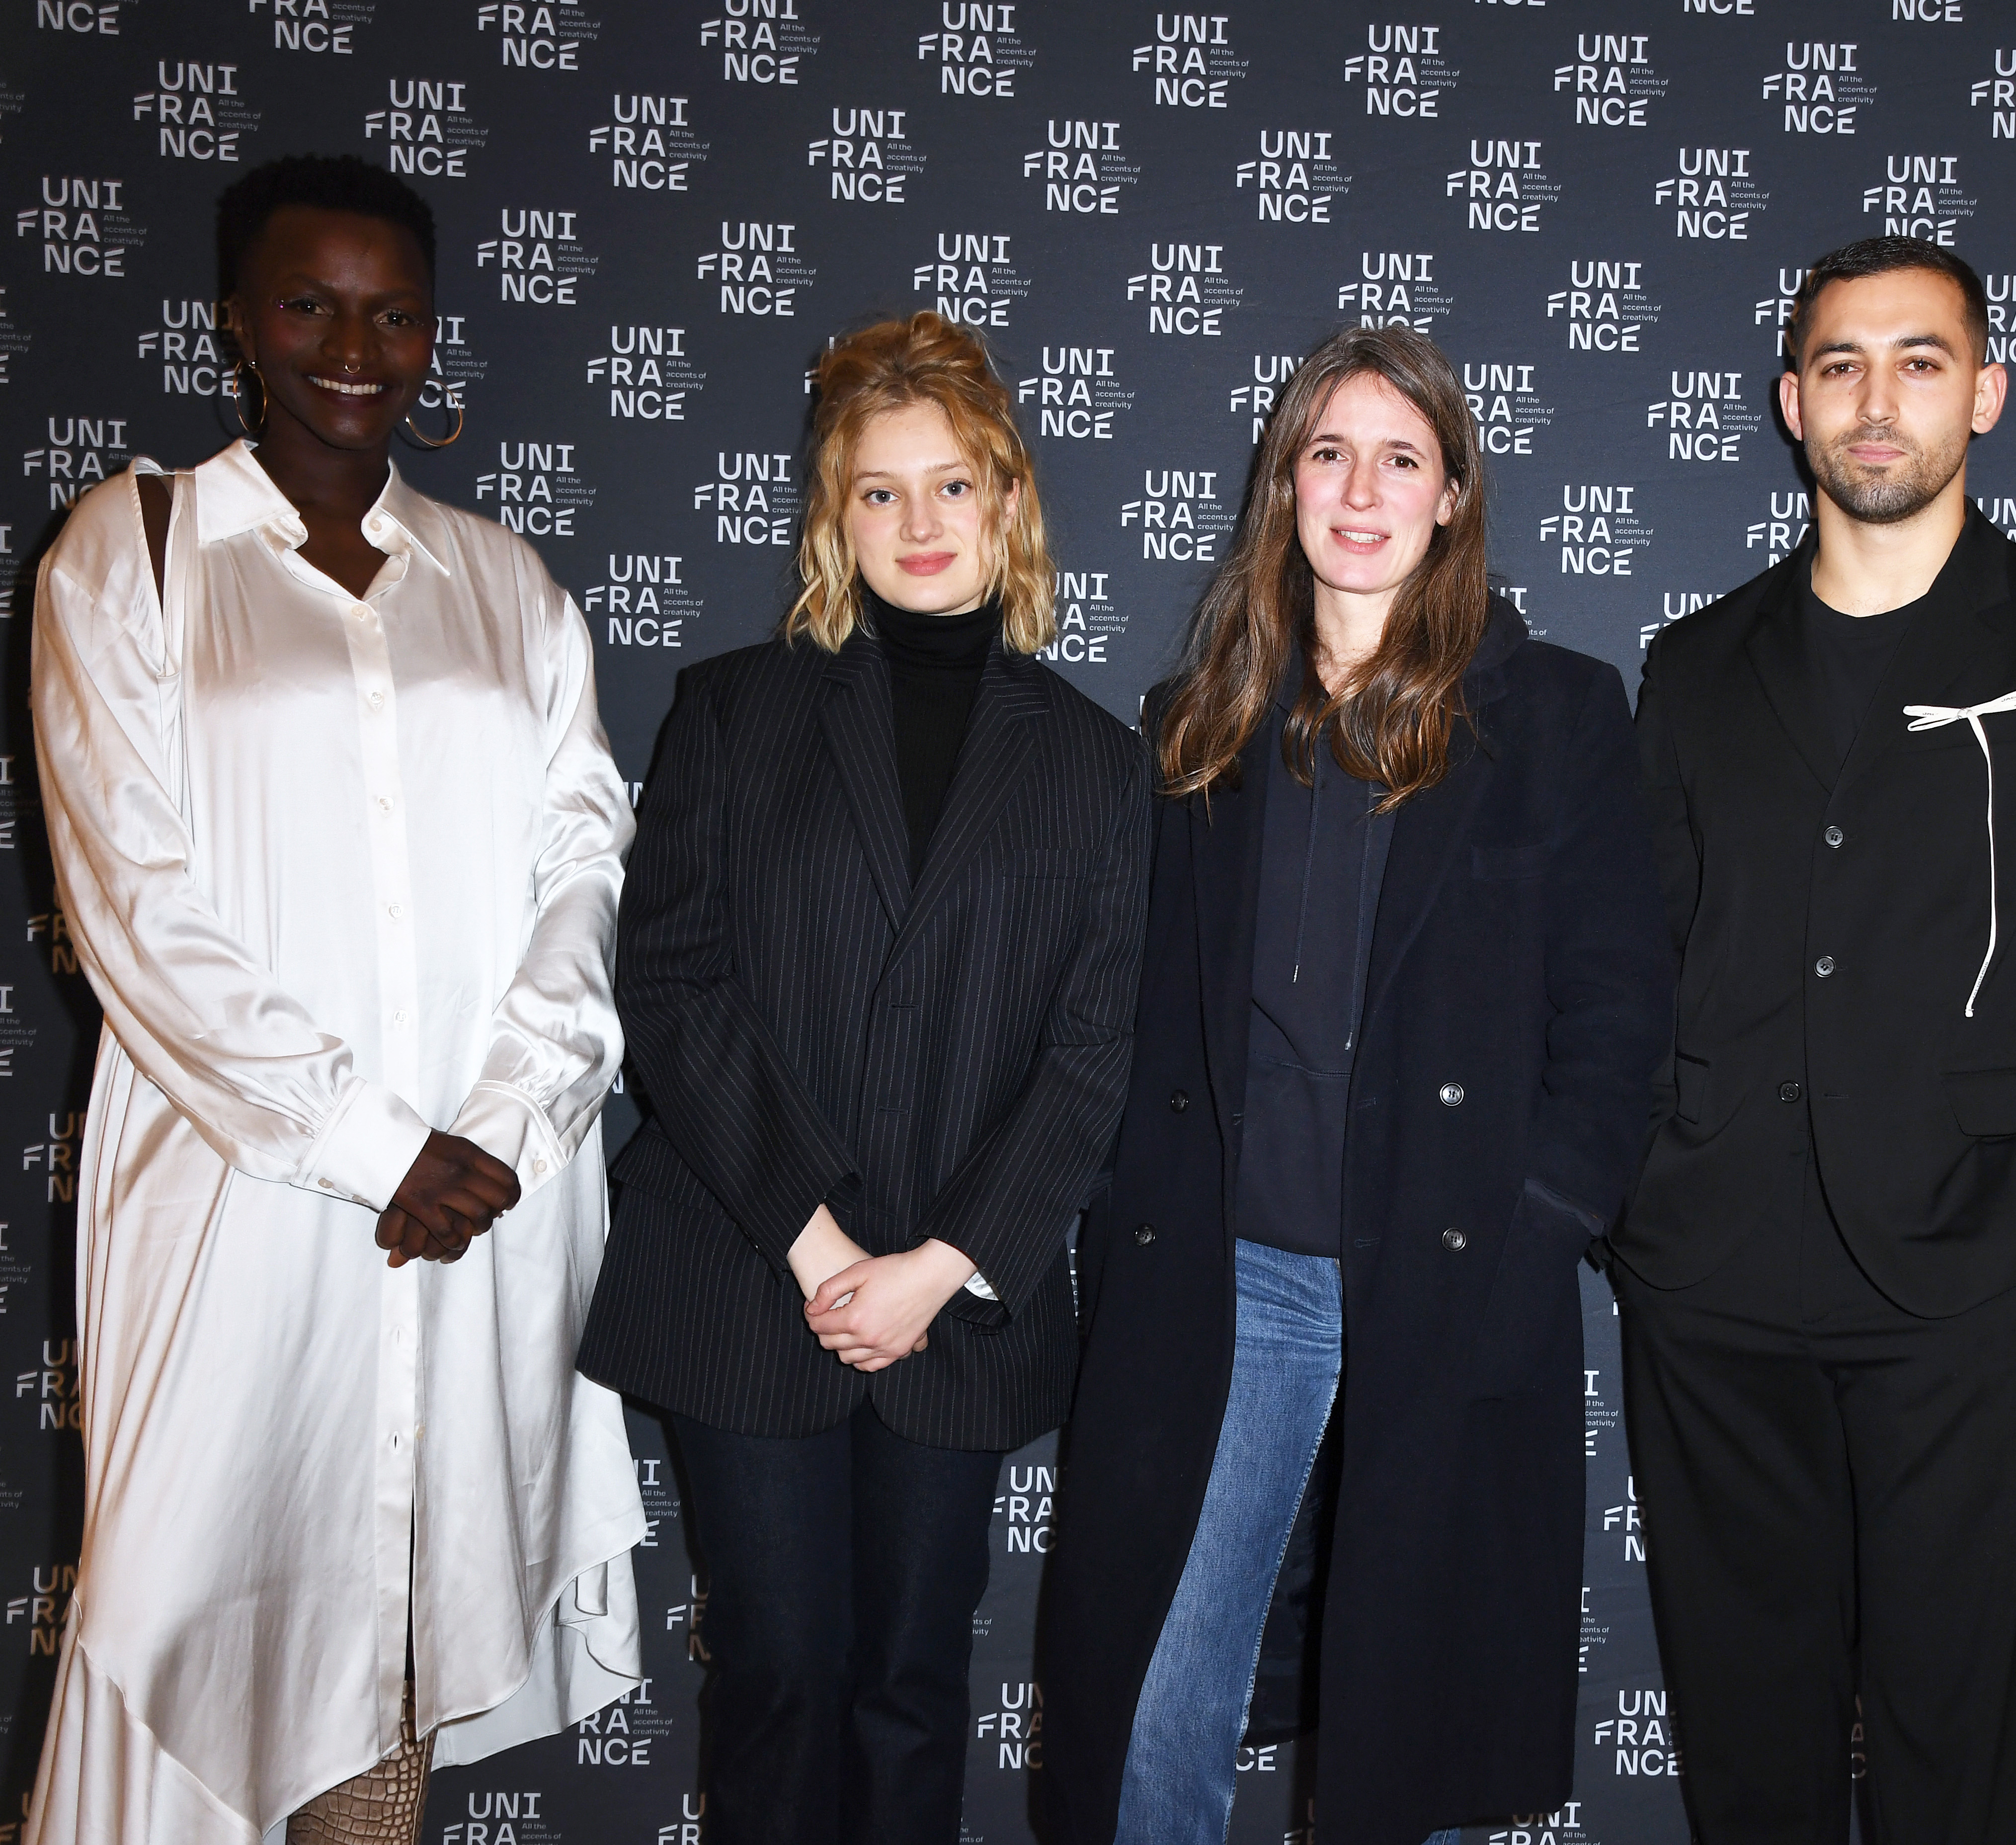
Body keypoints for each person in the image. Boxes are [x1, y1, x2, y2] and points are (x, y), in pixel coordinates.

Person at [25, 155, 642, 1845]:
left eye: (394, 312)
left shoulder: (503, 585)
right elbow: (134, 906)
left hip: (484, 1200)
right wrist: (375, 1144)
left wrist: (506, 1121)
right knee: (196, 1609)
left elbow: (581, 863)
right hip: (245, 1201)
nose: (354, 347)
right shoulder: (132, 553)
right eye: (311, 303)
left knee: (396, 1627)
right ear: (238, 318)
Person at [1038, 325, 1669, 1845]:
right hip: (1226, 1280)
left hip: (1448, 1267)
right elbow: (1137, 1015)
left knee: (1421, 1714)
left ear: (1452, 495)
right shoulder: (1201, 719)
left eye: (1402, 457)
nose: (1362, 488)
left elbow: (1622, 1009)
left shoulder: (1560, 714)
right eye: (1328, 453)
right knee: (1156, 1685)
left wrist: (1540, 1223)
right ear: (1285, 487)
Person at [1618, 236, 2016, 1844]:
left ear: (1986, 393)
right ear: (1793, 401)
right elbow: (1633, 958)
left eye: (1922, 361)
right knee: (1748, 1749)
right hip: (1711, 1278)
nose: (1881, 401)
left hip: (1961, 1276)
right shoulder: (1693, 665)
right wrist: (1637, 1207)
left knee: (1955, 1754)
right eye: (1845, 365)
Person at [577, 311, 1149, 1845]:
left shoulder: (1101, 766)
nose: (917, 522)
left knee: (909, 1685)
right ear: (837, 514)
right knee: (774, 1676)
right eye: (879, 491)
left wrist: (938, 1269)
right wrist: (828, 1249)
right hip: (750, 1274)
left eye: (951, 486)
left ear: (1009, 502)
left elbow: (1094, 1052)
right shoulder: (735, 712)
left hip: (954, 1311)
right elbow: (675, 986)